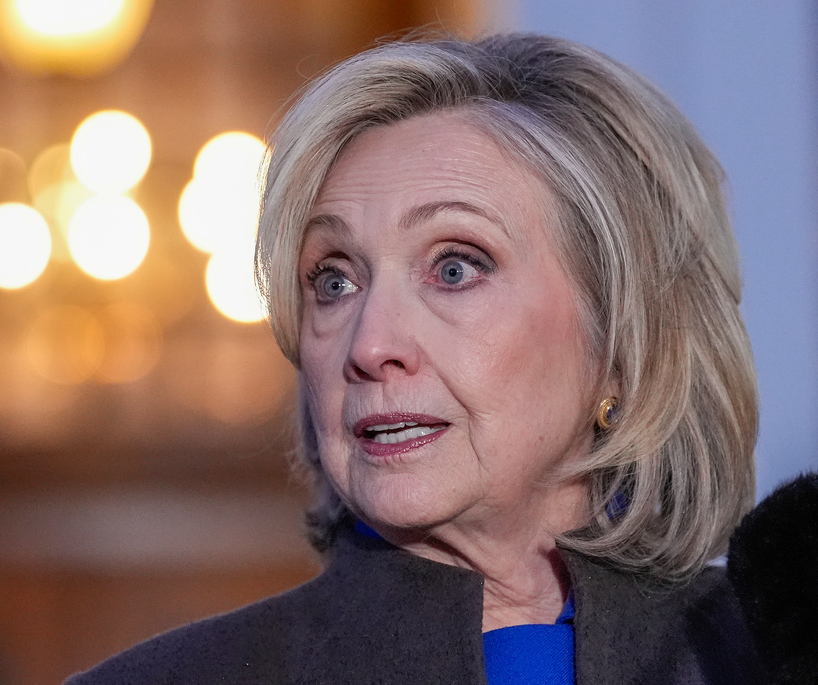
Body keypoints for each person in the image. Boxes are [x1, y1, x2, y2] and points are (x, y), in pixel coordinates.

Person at [67, 32, 760, 684]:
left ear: (623, 342)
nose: (370, 346)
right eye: (334, 281)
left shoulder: (770, 654)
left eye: (455, 268)